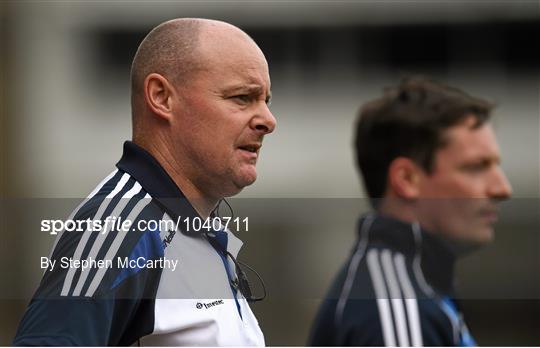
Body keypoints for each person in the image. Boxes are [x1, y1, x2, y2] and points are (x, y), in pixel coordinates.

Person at [14, 18, 276, 346]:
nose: (268, 120)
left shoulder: (193, 230)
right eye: (242, 97)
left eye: (266, 100)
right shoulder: (118, 224)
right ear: (161, 97)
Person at [309, 77, 512, 346]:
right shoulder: (395, 304)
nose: (502, 188)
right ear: (406, 179)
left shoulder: (416, 288)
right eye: (476, 167)